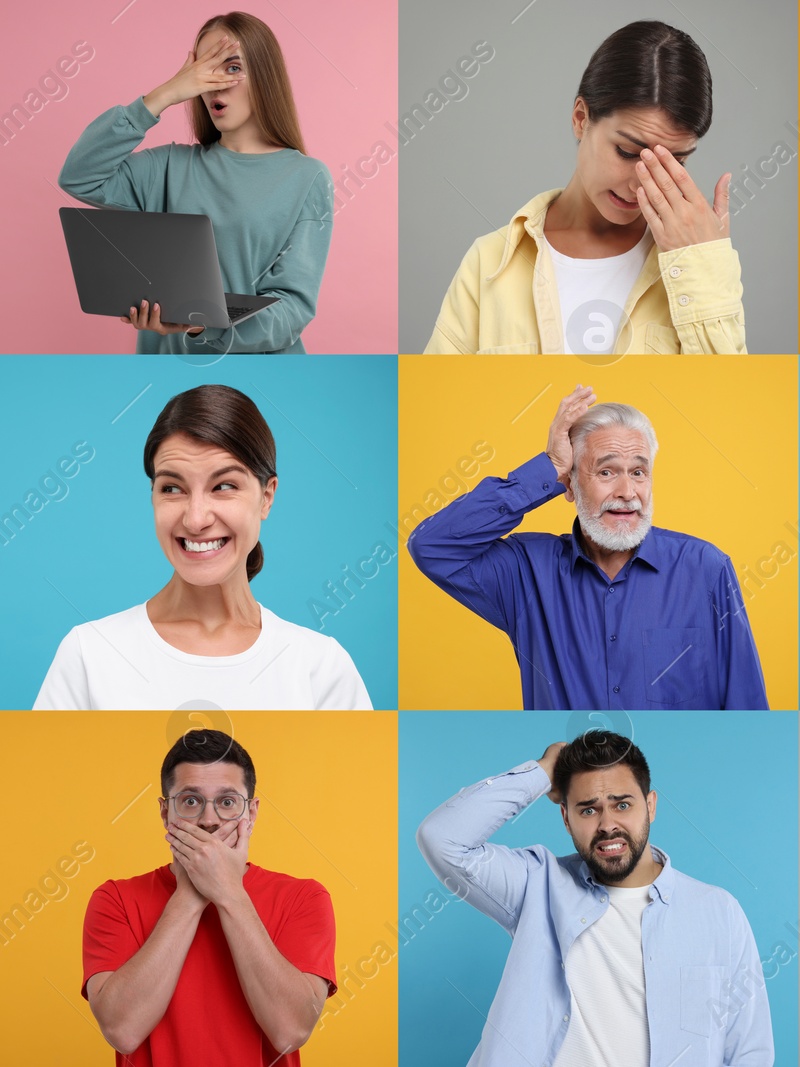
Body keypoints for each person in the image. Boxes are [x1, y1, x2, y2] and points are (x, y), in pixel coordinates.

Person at [416, 729, 774, 1066]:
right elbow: (443, 838)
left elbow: (749, 1049)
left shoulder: (717, 911)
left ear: (650, 806)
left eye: (622, 805)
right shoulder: (536, 884)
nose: (606, 824)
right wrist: (542, 773)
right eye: (588, 809)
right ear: (566, 819)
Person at [408, 384, 767, 710]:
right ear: (568, 485)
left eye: (639, 472)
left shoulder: (707, 568)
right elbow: (432, 545)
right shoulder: (526, 572)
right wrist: (547, 467)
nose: (627, 492)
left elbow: (747, 705)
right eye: (607, 472)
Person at [33, 384, 371, 709]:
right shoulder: (88, 654)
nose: (195, 520)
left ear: (266, 497)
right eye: (172, 488)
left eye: (223, 486)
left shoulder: (322, 667)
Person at [425, 20, 745, 354]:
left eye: (674, 162)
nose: (642, 183)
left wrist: (703, 263)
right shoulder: (488, 263)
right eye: (626, 151)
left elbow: (728, 401)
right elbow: (440, 402)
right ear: (581, 118)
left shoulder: (698, 268)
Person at [59, 12, 334, 354]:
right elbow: (79, 176)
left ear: (265, 75)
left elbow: (292, 309)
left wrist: (203, 326)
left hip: (261, 377)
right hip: (171, 375)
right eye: (204, 70)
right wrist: (165, 95)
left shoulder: (308, 178)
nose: (215, 84)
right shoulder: (168, 166)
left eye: (232, 67)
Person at [82, 729, 336, 1065]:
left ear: (252, 812)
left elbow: (290, 1032)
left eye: (227, 802)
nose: (209, 820)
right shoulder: (114, 899)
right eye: (190, 801)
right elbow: (123, 1031)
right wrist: (192, 893)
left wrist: (229, 893)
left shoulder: (304, 898)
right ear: (164, 812)